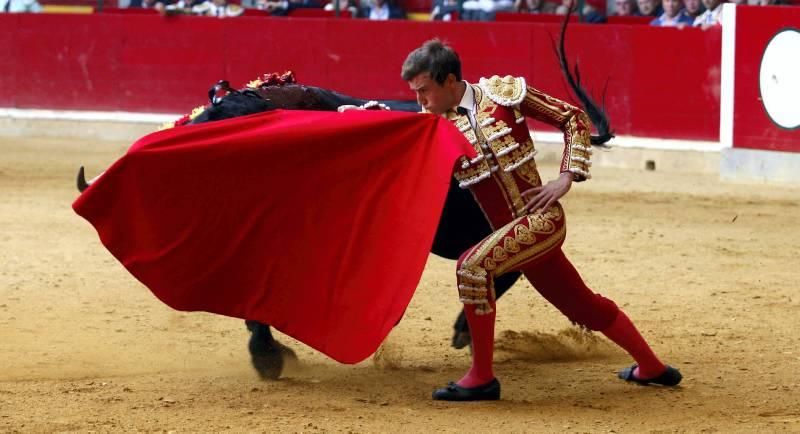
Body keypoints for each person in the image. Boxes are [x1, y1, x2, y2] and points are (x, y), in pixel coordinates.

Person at [400, 39, 682, 401]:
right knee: (583, 306)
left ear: (450, 80)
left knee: (472, 267)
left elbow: (572, 118)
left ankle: (482, 377)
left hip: (541, 220)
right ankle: (652, 367)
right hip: (508, 232)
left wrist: (565, 178)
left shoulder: (504, 94)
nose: (420, 101)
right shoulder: (436, 125)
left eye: (425, 91)